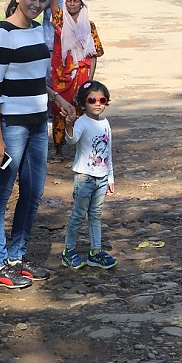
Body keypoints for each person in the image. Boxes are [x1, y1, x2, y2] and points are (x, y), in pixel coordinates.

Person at [0, 0, 75, 289]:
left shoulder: (37, 31)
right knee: (0, 195)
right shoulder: (2, 35)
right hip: (11, 127)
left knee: (33, 193)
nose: (36, 4)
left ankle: (17, 259)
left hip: (39, 124)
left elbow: (37, 80)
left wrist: (57, 98)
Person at [48, 0, 104, 156]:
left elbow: (94, 55)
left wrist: (90, 79)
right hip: (62, 76)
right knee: (59, 111)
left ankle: (84, 147)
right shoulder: (60, 21)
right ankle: (59, 148)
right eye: (69, 0)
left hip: (81, 75)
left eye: (75, 1)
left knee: (83, 110)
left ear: (82, 4)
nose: (71, 3)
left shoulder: (89, 26)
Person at [61, 80, 117, 270]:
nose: (98, 103)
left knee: (96, 215)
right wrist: (68, 125)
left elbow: (108, 151)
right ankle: (68, 251)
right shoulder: (82, 122)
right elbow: (72, 140)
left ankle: (95, 251)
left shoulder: (105, 123)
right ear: (83, 102)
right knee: (78, 215)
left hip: (101, 177)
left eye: (102, 99)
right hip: (84, 177)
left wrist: (110, 178)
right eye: (92, 100)